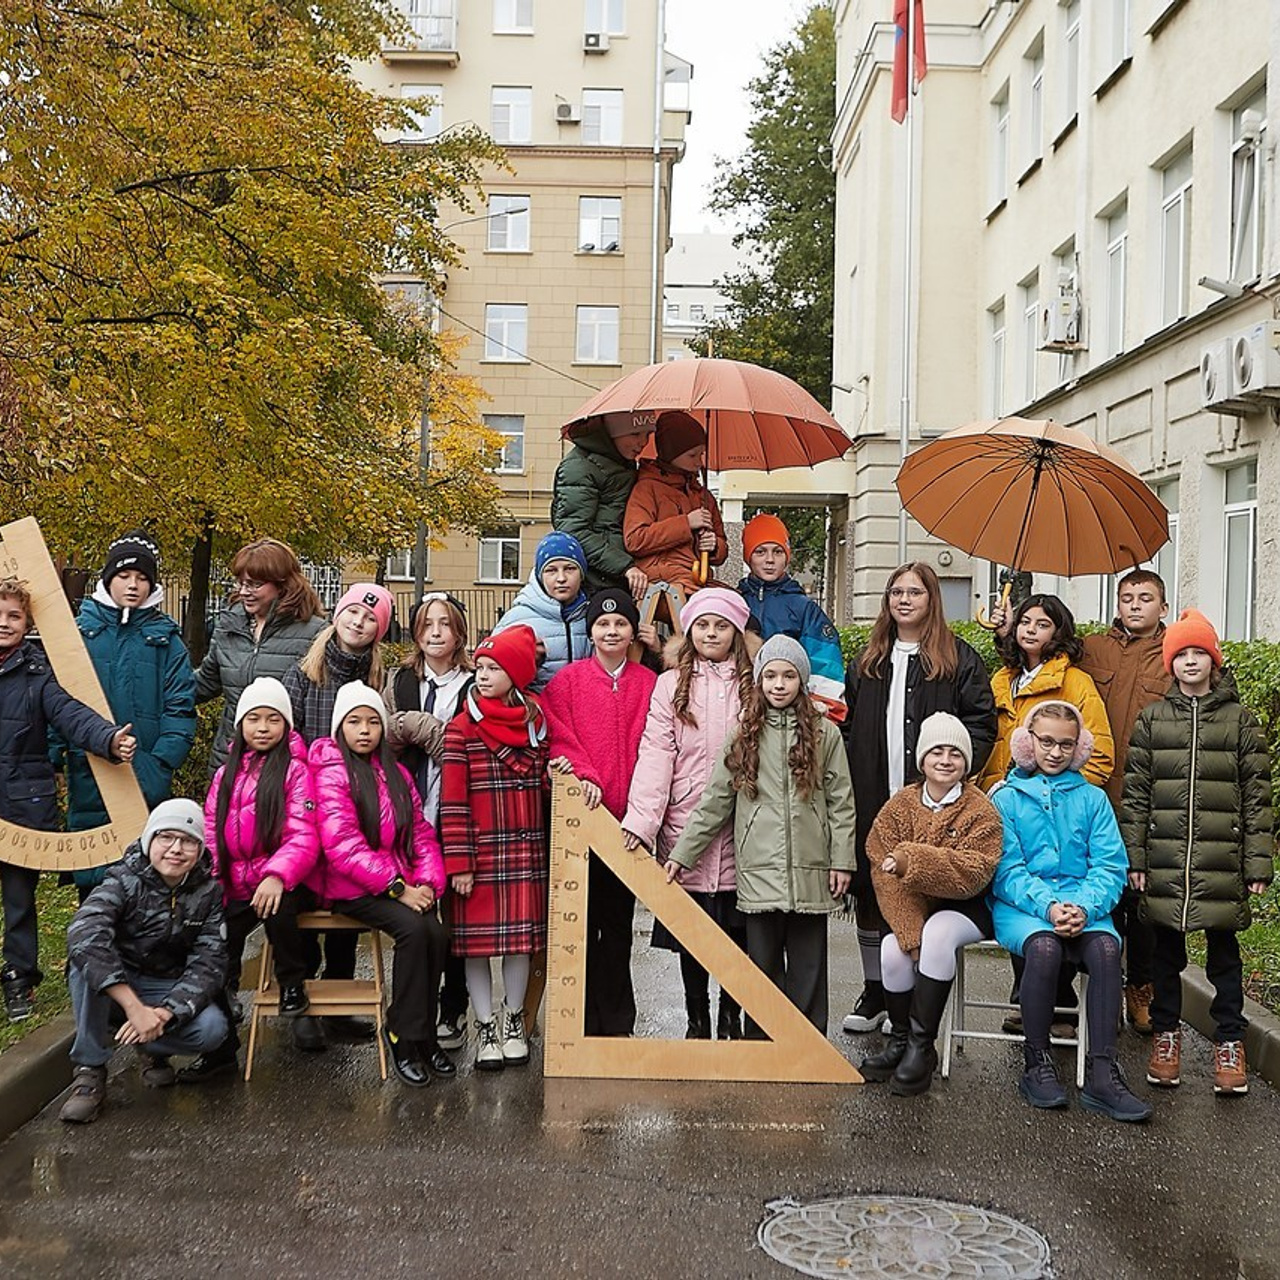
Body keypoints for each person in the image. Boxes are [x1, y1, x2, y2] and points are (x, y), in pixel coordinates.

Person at [666, 636, 855, 1035]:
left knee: (808, 967)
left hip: (812, 870)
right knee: (762, 970)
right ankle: (762, 1046)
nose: (779, 684)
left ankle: (808, 1047)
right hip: (758, 872)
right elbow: (715, 801)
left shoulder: (825, 735)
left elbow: (841, 803)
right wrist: (683, 853)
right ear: (759, 681)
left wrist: (842, 860)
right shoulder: (743, 735)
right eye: (770, 675)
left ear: (801, 681)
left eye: (788, 676)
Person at [840, 563, 997, 1037]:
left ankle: (908, 998)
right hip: (874, 791)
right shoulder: (869, 660)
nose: (904, 599)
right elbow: (849, 726)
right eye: (897, 591)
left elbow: (982, 725)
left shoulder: (959, 659)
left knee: (919, 887)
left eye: (915, 592)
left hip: (934, 802)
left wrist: (949, 772)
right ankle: (876, 991)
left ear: (932, 600)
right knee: (873, 890)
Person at [1122, 609, 1273, 1096]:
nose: (1190, 662)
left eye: (1199, 653)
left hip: (1222, 860)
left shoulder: (1240, 722)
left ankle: (1230, 1043)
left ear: (1214, 661)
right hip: (1165, 861)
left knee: (1224, 959)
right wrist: (1136, 859)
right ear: (1171, 663)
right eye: (1181, 654)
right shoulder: (1151, 721)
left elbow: (1257, 797)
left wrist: (1257, 863)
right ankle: (1166, 1038)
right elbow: (1137, 796)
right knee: (1167, 957)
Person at [989, 700, 1150, 1122]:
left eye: (1066, 744)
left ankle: (1102, 1072)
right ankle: (1037, 1063)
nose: (1056, 752)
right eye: (1046, 742)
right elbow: (1006, 870)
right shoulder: (1006, 799)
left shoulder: (1093, 800)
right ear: (1028, 743)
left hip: (1084, 903)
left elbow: (1109, 866)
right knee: (1043, 950)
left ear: (1079, 748)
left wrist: (1083, 906)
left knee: (1105, 951)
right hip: (1025, 906)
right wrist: (1048, 906)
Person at [0, 577, 137, 1023]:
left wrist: (109, 740)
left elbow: (72, 715)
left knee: (19, 901)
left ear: (28, 623)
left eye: (14, 616)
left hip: (21, 809)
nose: (5, 623)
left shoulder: (39, 675)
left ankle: (20, 979)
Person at [622, 587, 754, 1040]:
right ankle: (696, 1016)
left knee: (737, 931)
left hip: (743, 824)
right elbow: (657, 751)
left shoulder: (753, 682)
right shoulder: (670, 683)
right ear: (690, 630)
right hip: (685, 818)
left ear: (736, 631)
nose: (711, 633)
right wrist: (643, 820)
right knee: (691, 932)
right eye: (703, 625)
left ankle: (730, 1014)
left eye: (721, 626)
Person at [310, 683, 450, 1088]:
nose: (365, 730)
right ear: (340, 727)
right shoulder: (332, 773)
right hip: (349, 888)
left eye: (373, 721)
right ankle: (403, 1035)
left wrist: (427, 883)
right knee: (412, 931)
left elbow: (421, 834)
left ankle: (423, 1034)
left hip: (397, 881)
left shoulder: (396, 773)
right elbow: (341, 846)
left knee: (436, 934)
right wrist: (399, 889)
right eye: (355, 722)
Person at [180, 678, 320, 1082]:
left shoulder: (296, 771)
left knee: (281, 910)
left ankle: (293, 984)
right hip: (234, 881)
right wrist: (212, 877)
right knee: (217, 943)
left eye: (272, 719)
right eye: (253, 718)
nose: (262, 727)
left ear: (286, 725)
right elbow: (211, 828)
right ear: (240, 725)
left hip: (281, 877)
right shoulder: (226, 774)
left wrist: (277, 874)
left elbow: (303, 832)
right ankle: (221, 1041)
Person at [58, 799, 228, 1124]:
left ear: (199, 849)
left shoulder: (208, 893)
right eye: (166, 837)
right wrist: (134, 1008)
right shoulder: (122, 880)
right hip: (117, 985)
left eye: (188, 841)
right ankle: (89, 1071)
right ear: (150, 840)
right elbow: (84, 931)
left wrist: (166, 1013)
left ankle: (153, 1048)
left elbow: (210, 963)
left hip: (164, 985)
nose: (176, 849)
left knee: (212, 1030)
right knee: (83, 964)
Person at [860, 714, 1003, 1096]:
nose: (945, 760)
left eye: (955, 753)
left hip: (968, 906)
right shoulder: (901, 805)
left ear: (966, 762)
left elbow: (972, 871)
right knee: (891, 951)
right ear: (922, 759)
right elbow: (881, 865)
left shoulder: (979, 809)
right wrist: (909, 935)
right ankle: (901, 1041)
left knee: (938, 933)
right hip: (914, 909)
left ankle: (923, 1049)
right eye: (936, 751)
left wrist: (912, 859)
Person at [281, 582, 393, 1050]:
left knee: (347, 898)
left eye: (370, 619)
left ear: (377, 632)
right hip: (306, 799)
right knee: (307, 897)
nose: (358, 622)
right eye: (353, 613)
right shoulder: (304, 672)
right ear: (337, 614)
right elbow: (285, 736)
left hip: (356, 801)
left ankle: (340, 1000)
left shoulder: (376, 679)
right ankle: (305, 1000)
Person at [58, 530, 197, 901]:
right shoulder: (79, 634)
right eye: (124, 576)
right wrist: (58, 753)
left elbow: (180, 707)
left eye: (142, 578)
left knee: (143, 889)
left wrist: (159, 763)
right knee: (93, 894)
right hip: (88, 773)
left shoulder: (167, 640)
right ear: (108, 579)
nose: (133, 585)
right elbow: (56, 698)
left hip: (144, 778)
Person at [544, 590, 658, 1036]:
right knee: (579, 926)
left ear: (632, 632)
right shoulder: (567, 682)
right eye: (603, 625)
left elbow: (655, 747)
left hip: (626, 825)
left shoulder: (649, 683)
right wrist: (585, 773)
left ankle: (616, 1021)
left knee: (617, 927)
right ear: (590, 631)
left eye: (620, 625)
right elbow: (556, 734)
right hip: (582, 822)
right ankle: (579, 1021)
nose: (611, 632)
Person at [439, 625, 549, 1071]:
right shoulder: (460, 729)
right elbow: (452, 801)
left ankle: (513, 1021)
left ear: (517, 674)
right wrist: (459, 863)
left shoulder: (537, 723)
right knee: (477, 947)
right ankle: (484, 1025)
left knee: (520, 945)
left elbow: (546, 786)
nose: (482, 676)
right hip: (481, 855)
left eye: (494, 668)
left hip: (525, 851)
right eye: (480, 667)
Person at [1078, 570, 1170, 1035]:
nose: (1135, 605)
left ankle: (1142, 989)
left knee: (1143, 902)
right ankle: (1102, 994)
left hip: (1150, 801)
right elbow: (1041, 656)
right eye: (1127, 598)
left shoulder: (1174, 655)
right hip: (1095, 797)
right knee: (1101, 895)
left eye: (1145, 598)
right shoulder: (1094, 648)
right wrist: (1005, 630)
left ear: (1163, 607)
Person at [383, 592, 474, 1052]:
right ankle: (411, 1012)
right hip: (407, 813)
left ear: (459, 632)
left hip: (456, 811)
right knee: (417, 918)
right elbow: (381, 735)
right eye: (426, 625)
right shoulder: (400, 681)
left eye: (445, 625)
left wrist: (424, 730)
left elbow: (468, 750)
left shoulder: (475, 684)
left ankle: (453, 1008)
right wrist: (407, 729)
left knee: (457, 920)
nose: (436, 633)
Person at [195, 537, 326, 773]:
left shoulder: (315, 632)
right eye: (241, 583)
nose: (244, 591)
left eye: (254, 584)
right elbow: (205, 683)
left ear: (282, 584)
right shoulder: (228, 625)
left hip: (286, 767)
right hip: (231, 761)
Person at [978, 592, 1114, 792]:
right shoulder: (1002, 679)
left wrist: (1045, 790)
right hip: (995, 801)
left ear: (1057, 632)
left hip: (1049, 806)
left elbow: (1099, 757)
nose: (1031, 630)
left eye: (1042, 625)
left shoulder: (1076, 682)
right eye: (1024, 622)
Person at [736, 512, 847, 720]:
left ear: (787, 556)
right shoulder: (735, 603)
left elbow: (825, 662)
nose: (770, 560)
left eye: (777, 551)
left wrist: (822, 712)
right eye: (760, 551)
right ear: (748, 556)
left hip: (791, 715)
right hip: (741, 713)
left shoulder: (804, 608)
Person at [622, 411, 727, 595]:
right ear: (671, 453)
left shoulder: (703, 495)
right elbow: (634, 539)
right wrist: (686, 523)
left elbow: (722, 547)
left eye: (701, 454)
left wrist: (715, 546)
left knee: (736, 607)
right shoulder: (647, 488)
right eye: (692, 455)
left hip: (696, 576)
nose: (699, 462)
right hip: (662, 576)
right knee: (707, 607)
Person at [552, 415, 655, 598]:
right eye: (635, 434)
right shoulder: (580, 466)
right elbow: (574, 530)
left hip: (619, 575)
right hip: (595, 580)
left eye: (648, 434)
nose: (643, 442)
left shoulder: (622, 461)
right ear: (612, 432)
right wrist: (624, 566)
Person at [490, 533, 591, 692]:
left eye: (570, 568)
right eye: (551, 570)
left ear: (582, 573)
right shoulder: (516, 620)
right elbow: (493, 674)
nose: (561, 578)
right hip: (536, 713)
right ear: (539, 575)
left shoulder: (592, 616)